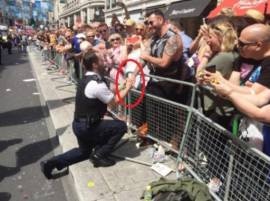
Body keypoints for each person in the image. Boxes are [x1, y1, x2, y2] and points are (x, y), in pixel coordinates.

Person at [40, 52, 134, 179]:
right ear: (95, 64)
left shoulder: (85, 79)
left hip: (79, 125)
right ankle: (99, 155)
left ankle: (50, 163)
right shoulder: (97, 83)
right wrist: (128, 87)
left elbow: (105, 93)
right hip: (88, 127)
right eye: (102, 60)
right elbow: (113, 103)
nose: (104, 62)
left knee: (83, 152)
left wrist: (122, 86)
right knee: (121, 126)